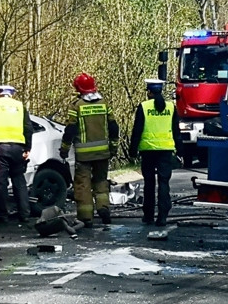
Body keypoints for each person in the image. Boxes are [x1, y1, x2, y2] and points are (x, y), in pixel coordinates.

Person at [59, 73, 119, 227]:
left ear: (79, 89)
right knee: (101, 181)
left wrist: (64, 149)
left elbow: (70, 130)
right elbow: (113, 127)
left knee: (83, 185)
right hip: (103, 152)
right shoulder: (104, 104)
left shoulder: (77, 106)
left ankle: (86, 217)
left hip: (84, 155)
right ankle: (103, 208)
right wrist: (113, 147)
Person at [129, 78, 182, 226]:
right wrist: (180, 151)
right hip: (166, 150)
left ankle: (148, 215)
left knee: (149, 183)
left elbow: (137, 130)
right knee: (164, 183)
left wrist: (132, 150)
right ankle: (163, 216)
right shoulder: (170, 107)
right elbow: (176, 131)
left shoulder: (144, 107)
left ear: (149, 92)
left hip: (147, 150)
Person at [0, 84, 33, 223]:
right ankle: (25, 214)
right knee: (19, 180)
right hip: (18, 147)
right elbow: (28, 128)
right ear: (12, 94)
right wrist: (27, 148)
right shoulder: (19, 106)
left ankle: (2, 214)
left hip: (0, 147)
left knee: (1, 182)